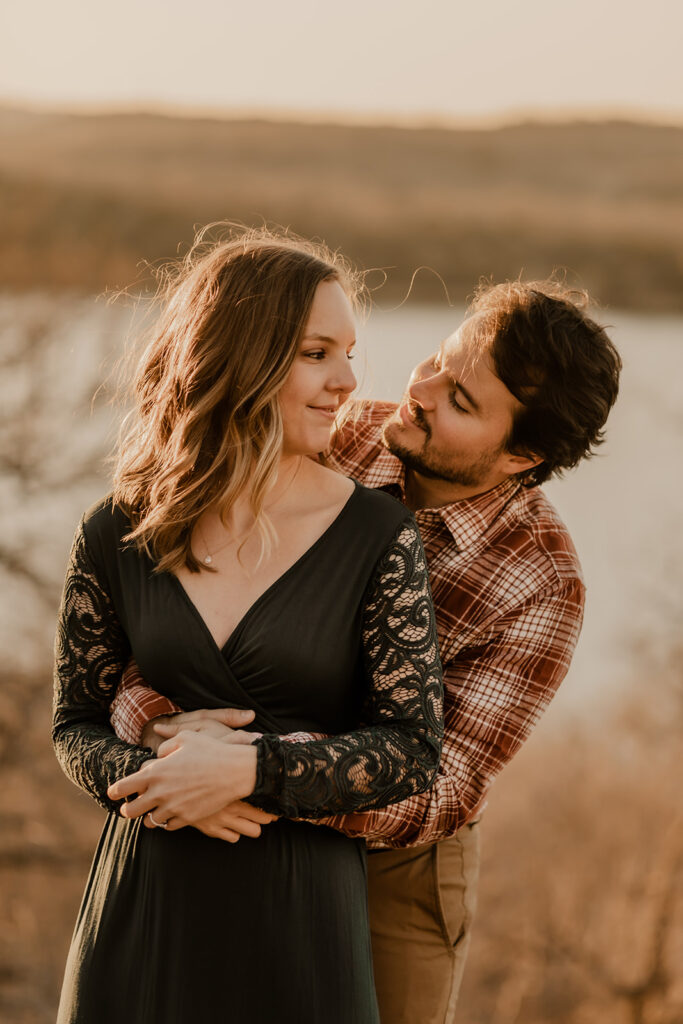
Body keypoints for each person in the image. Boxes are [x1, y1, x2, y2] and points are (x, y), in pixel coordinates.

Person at [112, 277, 622, 1023]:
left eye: (461, 401)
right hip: (207, 791)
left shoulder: (539, 585)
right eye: (439, 362)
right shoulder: (328, 438)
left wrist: (255, 770)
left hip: (394, 866)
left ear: (520, 457)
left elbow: (439, 788)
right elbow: (148, 621)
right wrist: (162, 729)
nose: (421, 389)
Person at [52, 226, 445, 1024]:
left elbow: (412, 748)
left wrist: (251, 771)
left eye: (348, 352)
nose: (347, 380)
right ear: (239, 358)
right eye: (315, 353)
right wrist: (156, 778)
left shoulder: (376, 534)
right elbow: (74, 725)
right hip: (143, 908)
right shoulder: (118, 531)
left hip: (301, 927)